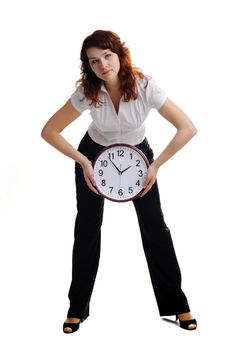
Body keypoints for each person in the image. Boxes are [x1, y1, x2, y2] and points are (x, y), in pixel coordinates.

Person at [41, 29, 198, 333]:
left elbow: (187, 128)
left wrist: (156, 165)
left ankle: (178, 305)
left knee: (155, 227)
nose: (103, 65)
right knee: (86, 227)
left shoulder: (145, 86)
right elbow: (49, 131)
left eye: (107, 56)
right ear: (89, 66)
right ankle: (76, 308)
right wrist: (83, 161)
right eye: (94, 61)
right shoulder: (88, 92)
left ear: (120, 54)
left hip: (138, 156)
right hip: (94, 154)